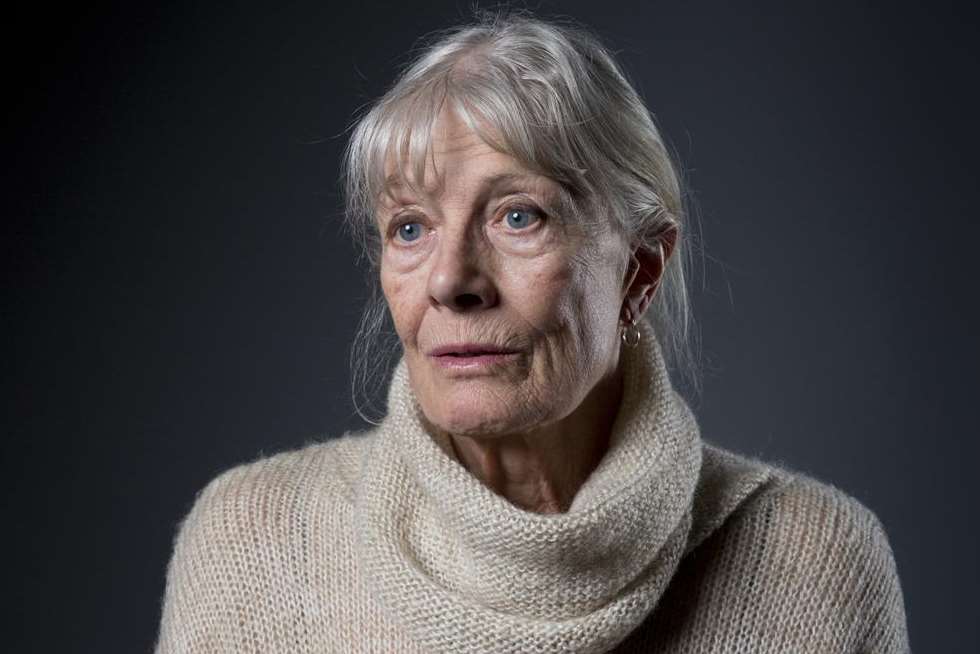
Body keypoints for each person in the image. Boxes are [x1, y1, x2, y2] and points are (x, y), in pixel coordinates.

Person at [153, 10, 910, 653]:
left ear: (640, 270)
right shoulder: (250, 542)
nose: (451, 280)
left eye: (520, 215)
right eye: (410, 227)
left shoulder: (817, 562)